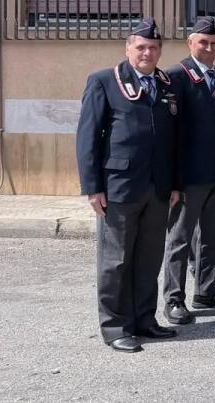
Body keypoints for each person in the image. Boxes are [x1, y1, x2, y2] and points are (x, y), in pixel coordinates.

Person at [76, 18, 181, 353]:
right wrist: (93, 187)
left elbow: (173, 141)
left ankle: (144, 320)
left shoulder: (165, 84)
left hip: (158, 186)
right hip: (119, 186)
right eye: (141, 47)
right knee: (115, 261)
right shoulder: (104, 81)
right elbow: (87, 138)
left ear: (160, 50)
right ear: (128, 47)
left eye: (153, 47)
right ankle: (115, 326)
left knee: (149, 258)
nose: (147, 53)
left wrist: (175, 183)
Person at [162, 18, 215, 326]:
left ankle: (207, 291)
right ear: (190, 44)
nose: (209, 48)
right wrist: (174, 180)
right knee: (180, 241)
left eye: (214, 43)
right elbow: (170, 134)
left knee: (213, 238)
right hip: (190, 178)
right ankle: (173, 299)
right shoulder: (176, 77)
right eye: (203, 43)